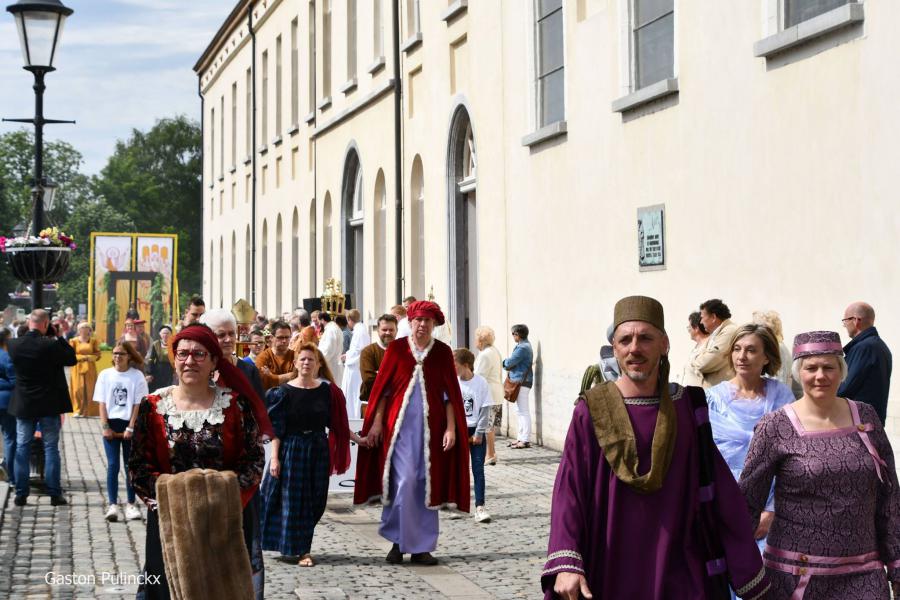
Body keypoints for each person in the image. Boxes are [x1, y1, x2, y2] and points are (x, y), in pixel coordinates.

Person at [542, 296, 769, 600]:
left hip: (682, 566)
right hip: (611, 563)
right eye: (625, 340)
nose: (634, 348)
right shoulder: (592, 410)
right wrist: (567, 562)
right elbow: (570, 489)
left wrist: (746, 565)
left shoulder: (688, 408)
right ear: (616, 348)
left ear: (664, 344)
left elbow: (719, 489)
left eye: (645, 338)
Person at [739, 331, 900, 599]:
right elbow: (747, 502)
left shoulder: (867, 417)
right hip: (794, 578)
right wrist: (740, 572)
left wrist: (896, 568)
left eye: (829, 367)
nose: (820, 376)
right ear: (798, 373)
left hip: (864, 576)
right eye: (811, 368)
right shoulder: (775, 426)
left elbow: (890, 498)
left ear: (842, 371)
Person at [128, 324, 271, 600]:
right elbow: (138, 464)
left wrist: (223, 499)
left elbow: (253, 460)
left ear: (215, 361)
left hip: (225, 521)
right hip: (170, 522)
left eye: (199, 354)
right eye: (182, 354)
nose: (189, 361)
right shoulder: (153, 406)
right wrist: (170, 502)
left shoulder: (235, 406)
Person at [355, 300, 470, 566]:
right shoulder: (396, 349)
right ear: (410, 322)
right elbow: (383, 390)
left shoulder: (441, 352)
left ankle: (421, 547)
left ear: (434, 324)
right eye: (418, 320)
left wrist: (452, 428)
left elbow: (448, 395)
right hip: (399, 431)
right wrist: (376, 423)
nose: (422, 325)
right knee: (403, 483)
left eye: (427, 321)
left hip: (432, 432)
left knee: (425, 485)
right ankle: (398, 541)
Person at [260, 343, 363, 566]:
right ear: (296, 363)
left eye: (311, 360)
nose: (306, 363)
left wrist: (360, 440)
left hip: (318, 449)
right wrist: (275, 458)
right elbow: (276, 430)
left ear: (318, 365)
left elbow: (338, 425)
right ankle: (301, 550)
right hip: (292, 450)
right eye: (303, 359)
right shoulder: (282, 393)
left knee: (316, 501)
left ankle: (297, 546)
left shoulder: (327, 392)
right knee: (294, 502)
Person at [705, 324, 794, 565]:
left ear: (767, 357)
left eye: (751, 350)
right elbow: (704, 460)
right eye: (737, 349)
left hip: (769, 506)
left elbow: (792, 459)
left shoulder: (781, 397)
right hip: (722, 504)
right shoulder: (711, 399)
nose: (742, 356)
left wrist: (773, 510)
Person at [8, 310, 77, 506]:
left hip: (24, 403)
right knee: (51, 448)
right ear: (46, 323)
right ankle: (54, 493)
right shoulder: (51, 345)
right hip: (49, 403)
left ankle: (21, 494)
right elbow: (71, 359)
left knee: (22, 447)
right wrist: (59, 336)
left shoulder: (14, 345)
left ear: (29, 322)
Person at [94, 342, 148, 522]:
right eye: (115, 353)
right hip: (111, 424)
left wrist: (131, 427)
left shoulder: (136, 376)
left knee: (129, 466)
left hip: (129, 424)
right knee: (113, 466)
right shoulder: (105, 375)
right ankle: (112, 504)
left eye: (122, 354)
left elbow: (137, 404)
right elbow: (102, 403)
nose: (117, 357)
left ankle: (131, 503)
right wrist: (105, 426)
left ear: (129, 357)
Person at [455, 347, 493, 523]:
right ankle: (459, 505)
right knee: (459, 470)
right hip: (459, 431)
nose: (452, 368)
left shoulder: (481, 383)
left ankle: (480, 506)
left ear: (465, 365)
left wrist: (479, 433)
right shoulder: (453, 382)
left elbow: (485, 409)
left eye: (455, 365)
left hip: (475, 429)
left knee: (478, 469)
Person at [838, 302, 892, 424]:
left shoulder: (864, 348)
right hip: (871, 421)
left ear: (856, 320)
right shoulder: (880, 346)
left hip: (860, 423)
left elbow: (845, 388)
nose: (844, 325)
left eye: (845, 320)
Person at [201, 309, 266, 403]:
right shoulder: (199, 370)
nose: (228, 339)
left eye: (231, 334)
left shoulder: (249, 371)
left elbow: (260, 409)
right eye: (221, 335)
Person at [691, 298, 739, 388]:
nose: (700, 322)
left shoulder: (729, 331)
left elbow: (706, 363)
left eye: (702, 318)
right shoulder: (715, 334)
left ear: (713, 317)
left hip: (723, 394)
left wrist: (694, 362)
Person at [473, 326, 504, 465]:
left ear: (480, 340)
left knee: (487, 426)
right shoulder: (494, 351)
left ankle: (490, 454)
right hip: (496, 391)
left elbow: (480, 375)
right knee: (490, 426)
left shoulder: (485, 354)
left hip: (489, 393)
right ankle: (491, 453)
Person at [503, 324, 533, 449]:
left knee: (523, 411)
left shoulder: (523, 348)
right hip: (521, 381)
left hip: (522, 382)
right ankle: (520, 438)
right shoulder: (523, 345)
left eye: (513, 334)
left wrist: (504, 362)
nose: (513, 336)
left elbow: (509, 363)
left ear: (518, 334)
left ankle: (525, 439)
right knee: (520, 411)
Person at [359, 314, 398, 412]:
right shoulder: (368, 351)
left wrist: (380, 374)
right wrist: (396, 380)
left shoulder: (404, 352)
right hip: (372, 404)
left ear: (396, 331)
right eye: (384, 330)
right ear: (378, 331)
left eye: (391, 330)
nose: (388, 333)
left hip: (397, 404)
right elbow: (369, 379)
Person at [340, 309, 371, 419]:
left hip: (355, 369)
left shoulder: (359, 331)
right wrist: (347, 355)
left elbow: (361, 351)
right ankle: (351, 415)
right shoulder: (360, 330)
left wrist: (347, 356)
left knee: (353, 395)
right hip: (354, 367)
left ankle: (353, 417)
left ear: (349, 319)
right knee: (351, 395)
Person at [69, 322, 102, 417]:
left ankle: (89, 411)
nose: (84, 329)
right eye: (82, 328)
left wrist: (89, 357)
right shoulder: (73, 341)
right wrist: (81, 358)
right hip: (77, 367)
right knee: (77, 389)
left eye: (86, 327)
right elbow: (70, 354)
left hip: (90, 367)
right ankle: (77, 410)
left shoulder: (93, 341)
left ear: (89, 330)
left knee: (90, 389)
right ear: (79, 330)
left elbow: (98, 354)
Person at [255, 321, 298, 391]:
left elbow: (301, 377)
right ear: (271, 338)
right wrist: (291, 375)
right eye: (280, 337)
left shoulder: (296, 356)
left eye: (287, 337)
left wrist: (272, 377)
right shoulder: (262, 357)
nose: (284, 341)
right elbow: (264, 381)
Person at [0, 330, 17, 487]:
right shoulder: (7, 357)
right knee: (10, 438)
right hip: (5, 402)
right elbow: (14, 382)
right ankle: (10, 477)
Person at [682, 311, 709, 387]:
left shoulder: (709, 345)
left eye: (689, 327)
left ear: (696, 328)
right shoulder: (697, 346)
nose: (688, 330)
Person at [145, 325, 175, 391]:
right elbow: (151, 359)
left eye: (167, 333)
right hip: (158, 370)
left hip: (169, 370)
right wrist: (149, 373)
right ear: (160, 334)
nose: (165, 335)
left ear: (171, 334)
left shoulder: (174, 344)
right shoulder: (156, 344)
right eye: (164, 333)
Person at [317, 311, 344, 384]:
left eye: (319, 321)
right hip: (332, 365)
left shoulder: (331, 330)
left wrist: (319, 361)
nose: (319, 324)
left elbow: (328, 350)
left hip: (330, 366)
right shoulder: (334, 328)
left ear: (322, 320)